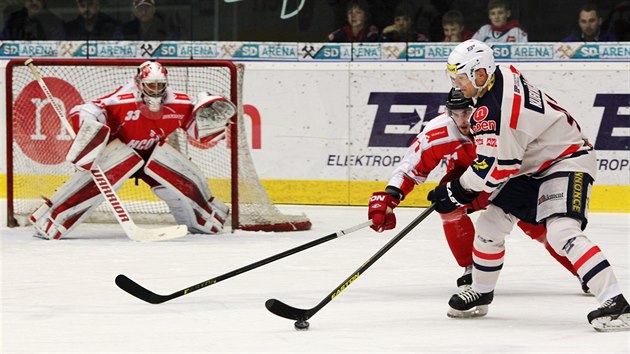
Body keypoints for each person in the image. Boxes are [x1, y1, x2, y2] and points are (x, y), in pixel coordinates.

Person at [427, 39, 629, 332]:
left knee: (561, 232)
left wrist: (455, 191)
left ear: (480, 75)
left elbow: (495, 170)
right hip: (533, 163)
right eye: (454, 78)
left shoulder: (494, 111)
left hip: (566, 160)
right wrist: (460, 190)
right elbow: (503, 163)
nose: (458, 85)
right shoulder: (501, 74)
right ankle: (482, 290)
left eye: (461, 78)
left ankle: (617, 302)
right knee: (490, 225)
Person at [368, 88, 581, 292]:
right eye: (456, 113)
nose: (462, 121)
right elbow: (409, 168)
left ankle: (582, 270)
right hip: (469, 186)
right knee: (446, 200)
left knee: (539, 228)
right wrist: (391, 196)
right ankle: (472, 268)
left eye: (467, 112)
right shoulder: (440, 130)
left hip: (514, 180)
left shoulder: (502, 121)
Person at [30, 61, 234, 240]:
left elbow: (197, 132)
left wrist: (210, 121)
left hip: (152, 155)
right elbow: (85, 110)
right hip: (119, 153)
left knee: (184, 182)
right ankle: (53, 218)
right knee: (92, 187)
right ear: (139, 84)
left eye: (159, 86)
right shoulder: (122, 100)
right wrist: (87, 124)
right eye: (150, 85)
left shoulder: (178, 103)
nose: (155, 90)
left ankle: (205, 218)